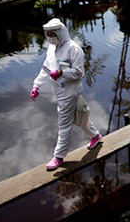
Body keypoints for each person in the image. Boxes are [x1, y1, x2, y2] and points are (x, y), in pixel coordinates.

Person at [30, 18, 102, 171]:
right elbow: (46, 69)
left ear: (60, 32)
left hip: (69, 92)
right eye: (48, 34)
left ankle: (59, 156)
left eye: (52, 34)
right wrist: (36, 86)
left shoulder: (73, 49)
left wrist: (62, 73)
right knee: (79, 115)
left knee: (64, 123)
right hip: (59, 91)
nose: (50, 37)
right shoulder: (51, 48)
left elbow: (79, 72)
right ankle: (95, 136)